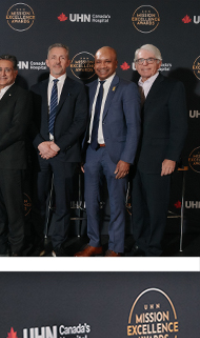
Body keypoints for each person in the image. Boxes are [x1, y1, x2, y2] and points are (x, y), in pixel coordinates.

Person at [76, 46, 141, 257]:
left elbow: (134, 127)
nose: (102, 66)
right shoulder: (88, 88)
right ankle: (94, 242)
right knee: (90, 201)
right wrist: (81, 155)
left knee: (116, 203)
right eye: (98, 62)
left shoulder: (127, 88)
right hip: (91, 152)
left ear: (116, 63)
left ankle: (115, 247)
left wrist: (126, 159)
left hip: (116, 155)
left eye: (107, 61)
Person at [30, 43, 88, 257]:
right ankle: (37, 243)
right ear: (47, 62)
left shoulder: (77, 88)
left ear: (68, 62)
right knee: (38, 201)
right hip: (40, 154)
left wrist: (57, 145)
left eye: (62, 57)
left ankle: (58, 244)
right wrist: (40, 144)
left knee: (63, 202)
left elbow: (81, 121)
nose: (57, 61)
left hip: (65, 153)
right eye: (54, 57)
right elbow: (29, 122)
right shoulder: (35, 89)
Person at [131, 44, 188, 256]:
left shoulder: (173, 87)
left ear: (159, 63)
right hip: (132, 159)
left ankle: (152, 249)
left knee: (156, 208)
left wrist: (171, 157)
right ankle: (140, 243)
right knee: (137, 207)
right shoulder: (130, 87)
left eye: (149, 60)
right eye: (140, 61)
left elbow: (180, 125)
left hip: (159, 160)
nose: (144, 64)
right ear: (135, 65)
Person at [0, 55, 32, 257]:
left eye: (7, 70)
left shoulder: (22, 96)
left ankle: (16, 250)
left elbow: (17, 129)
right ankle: (1, 244)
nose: (2, 74)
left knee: (14, 210)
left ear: (15, 72)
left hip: (11, 161)